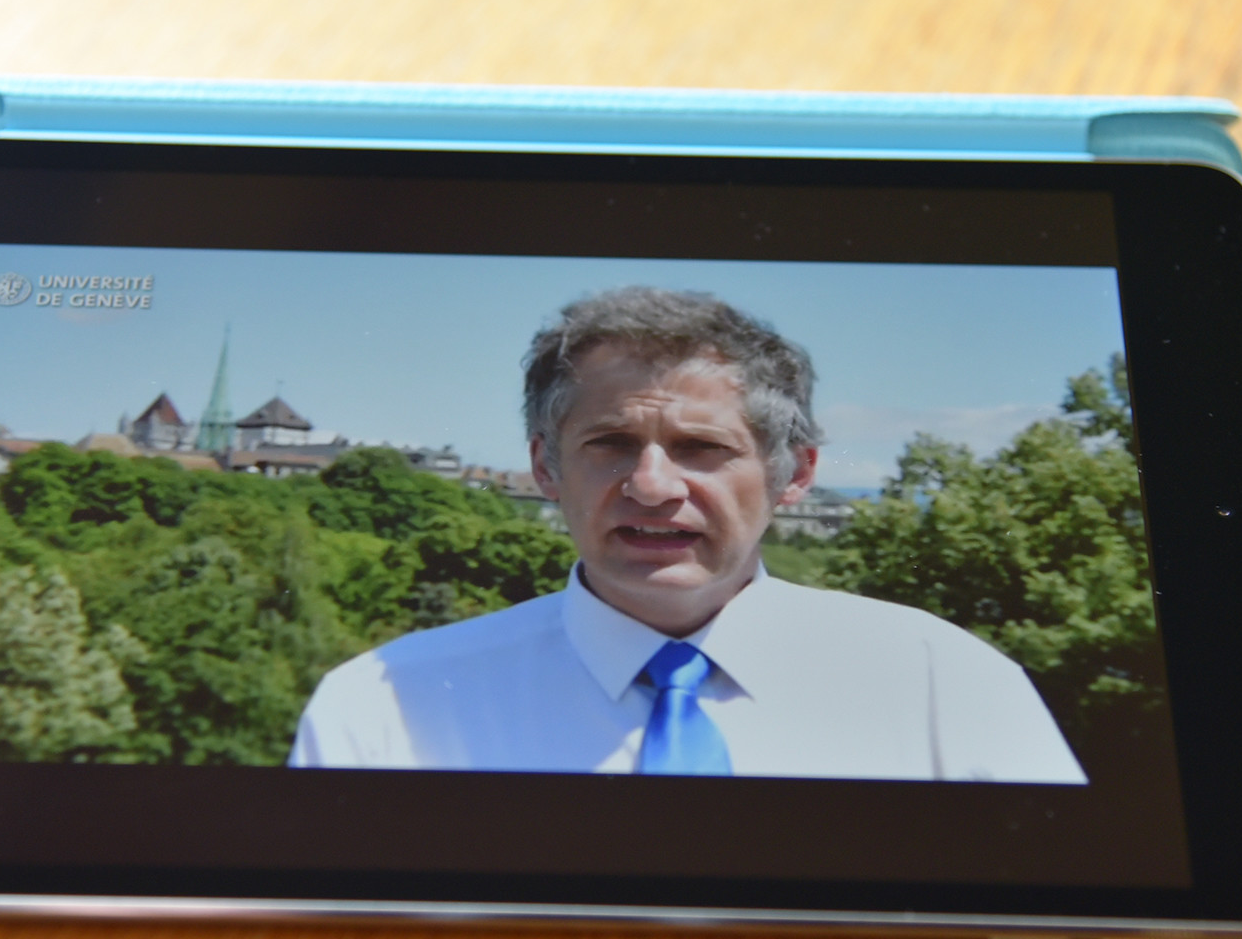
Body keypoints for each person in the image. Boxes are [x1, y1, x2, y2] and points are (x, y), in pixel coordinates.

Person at [289, 287, 1085, 783]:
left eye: (703, 449)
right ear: (544, 467)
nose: (653, 485)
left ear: (795, 473)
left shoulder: (945, 685)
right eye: (609, 444)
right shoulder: (382, 706)